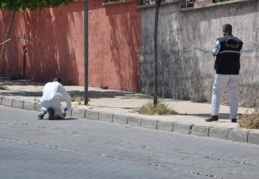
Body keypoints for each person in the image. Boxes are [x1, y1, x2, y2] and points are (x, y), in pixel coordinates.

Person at [205, 24, 243, 123]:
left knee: (216, 92)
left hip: (222, 71)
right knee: (233, 95)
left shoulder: (220, 41)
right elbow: (239, 54)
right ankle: (233, 118)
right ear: (231, 30)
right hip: (234, 72)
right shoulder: (239, 42)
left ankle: (214, 115)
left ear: (223, 31)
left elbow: (214, 53)